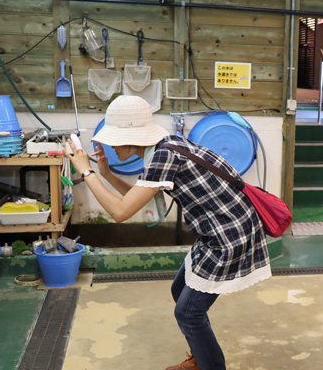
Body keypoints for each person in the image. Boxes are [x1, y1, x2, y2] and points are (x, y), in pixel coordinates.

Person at [64, 96, 271, 370]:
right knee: (179, 290)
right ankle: (201, 358)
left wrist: (86, 171)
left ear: (132, 138)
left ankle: (210, 366)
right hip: (215, 231)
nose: (110, 145)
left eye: (114, 138)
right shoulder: (163, 147)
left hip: (229, 235)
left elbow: (120, 212)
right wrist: (105, 173)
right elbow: (139, 198)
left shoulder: (163, 155)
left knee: (189, 312)